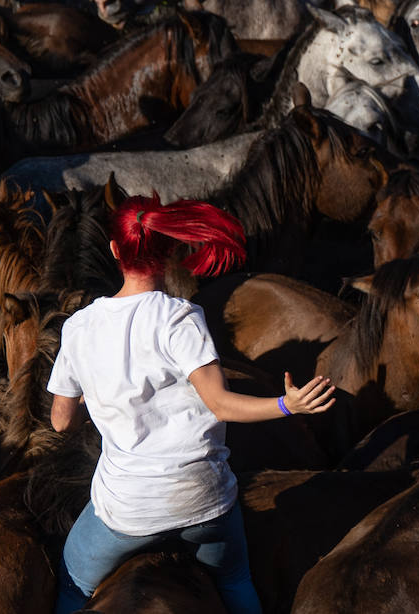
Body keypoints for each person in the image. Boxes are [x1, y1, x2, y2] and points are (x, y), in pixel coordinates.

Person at [46, 194, 336, 614]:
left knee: (71, 586)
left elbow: (60, 422)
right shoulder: (180, 317)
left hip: (126, 510)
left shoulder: (79, 326)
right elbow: (220, 404)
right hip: (203, 503)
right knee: (236, 579)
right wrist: (287, 405)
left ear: (114, 252)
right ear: (169, 252)